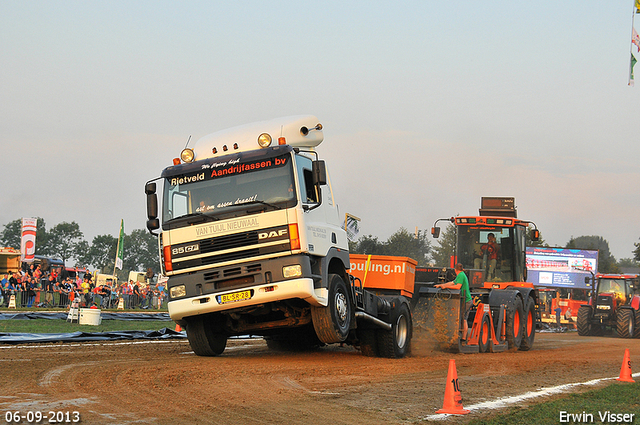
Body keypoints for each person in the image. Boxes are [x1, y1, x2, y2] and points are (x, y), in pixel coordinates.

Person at [435, 263, 472, 342]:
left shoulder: (461, 275)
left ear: (455, 270)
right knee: (463, 318)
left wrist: (445, 287)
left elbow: (457, 286)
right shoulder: (461, 275)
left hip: (466, 300)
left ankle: (463, 338)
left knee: (463, 319)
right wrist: (441, 285)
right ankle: (462, 337)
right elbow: (452, 282)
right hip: (466, 300)